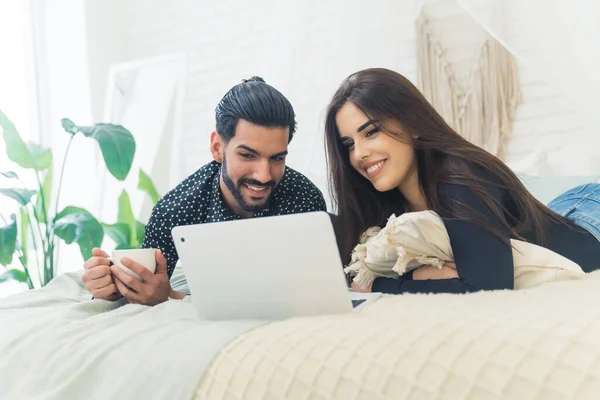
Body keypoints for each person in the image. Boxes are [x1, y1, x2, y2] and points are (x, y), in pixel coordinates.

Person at [324, 67, 600, 295]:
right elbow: (353, 278)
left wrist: (383, 284)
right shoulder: (386, 208)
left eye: (371, 132)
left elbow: (487, 285)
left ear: (414, 125)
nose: (359, 154)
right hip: (556, 215)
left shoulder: (460, 175)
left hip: (590, 215)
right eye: (348, 144)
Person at [83, 76, 327, 305]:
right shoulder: (176, 209)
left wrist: (171, 296)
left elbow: (312, 294)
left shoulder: (304, 200)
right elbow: (148, 287)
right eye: (247, 155)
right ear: (217, 147)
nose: (263, 175)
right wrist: (112, 287)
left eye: (276, 158)